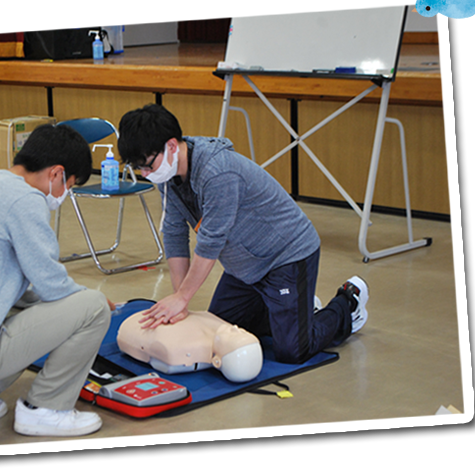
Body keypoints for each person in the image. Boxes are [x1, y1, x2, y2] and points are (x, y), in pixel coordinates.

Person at [117, 104, 368, 368]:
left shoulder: (217, 171)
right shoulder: (167, 175)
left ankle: (347, 304)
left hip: (286, 256)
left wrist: (182, 299)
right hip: (245, 266)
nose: (146, 174)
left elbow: (211, 241)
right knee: (223, 333)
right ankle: (297, 310)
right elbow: (174, 232)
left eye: (146, 165)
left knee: (292, 351)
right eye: (138, 168)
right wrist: (180, 298)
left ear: (170, 146)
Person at [0, 125, 114, 437]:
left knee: (40, 302)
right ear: (56, 174)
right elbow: (50, 282)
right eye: (69, 184)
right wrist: (86, 299)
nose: (65, 194)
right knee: (93, 307)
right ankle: (46, 409)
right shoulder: (26, 200)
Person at [115, 309, 262, 382]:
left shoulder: (179, 350)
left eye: (234, 335)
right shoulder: (221, 327)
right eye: (243, 332)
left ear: (217, 361)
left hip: (136, 323)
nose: (235, 327)